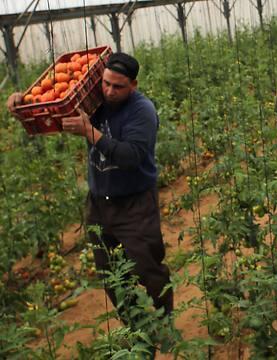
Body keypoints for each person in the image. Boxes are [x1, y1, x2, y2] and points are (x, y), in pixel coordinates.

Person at [7, 52, 173, 322]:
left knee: (148, 266)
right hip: (99, 203)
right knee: (110, 272)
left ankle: (166, 319)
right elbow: (48, 111)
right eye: (106, 83)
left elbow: (130, 157)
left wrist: (89, 132)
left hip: (135, 202)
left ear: (134, 85)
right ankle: (135, 328)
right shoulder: (93, 101)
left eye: (118, 86)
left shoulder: (142, 110)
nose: (109, 91)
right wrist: (20, 105)